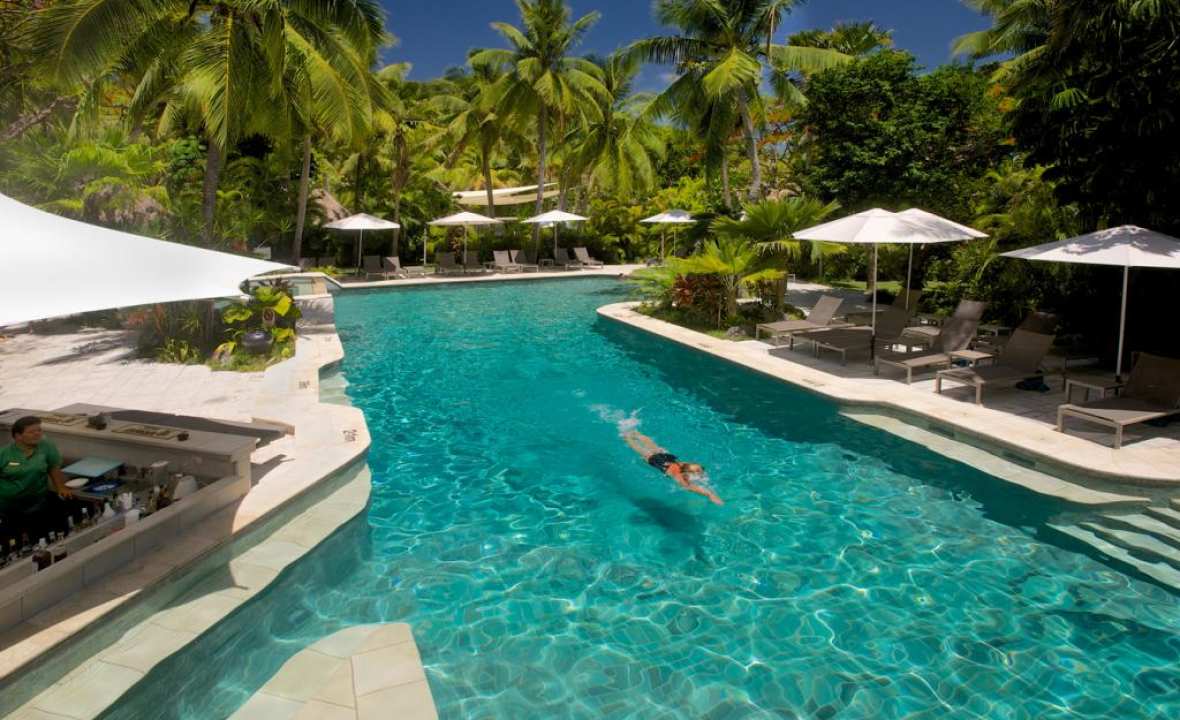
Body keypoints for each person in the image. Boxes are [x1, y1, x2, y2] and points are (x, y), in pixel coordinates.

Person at [1, 416, 73, 542]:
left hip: (37, 502)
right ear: (18, 436)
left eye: (39, 430)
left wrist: (61, 487)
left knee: (40, 537)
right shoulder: (4, 454)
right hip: (8, 507)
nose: (37, 434)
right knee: (14, 540)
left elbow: (53, 467)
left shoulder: (45, 446)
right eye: (31, 432)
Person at [622, 430, 722, 505]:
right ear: (686, 474)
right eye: (699, 472)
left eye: (701, 471)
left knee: (656, 449)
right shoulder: (679, 476)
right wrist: (709, 494)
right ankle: (627, 437)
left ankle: (634, 433)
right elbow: (689, 487)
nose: (702, 474)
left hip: (669, 459)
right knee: (643, 452)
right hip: (660, 462)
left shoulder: (684, 465)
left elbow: (691, 472)